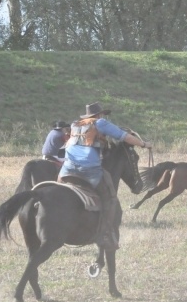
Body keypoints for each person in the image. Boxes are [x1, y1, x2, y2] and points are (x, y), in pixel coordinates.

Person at [59, 102, 152, 249]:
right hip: (89, 168)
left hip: (67, 168)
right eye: (102, 114)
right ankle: (106, 233)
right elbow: (125, 137)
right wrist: (144, 144)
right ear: (99, 115)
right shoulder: (100, 123)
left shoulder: (75, 124)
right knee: (109, 197)